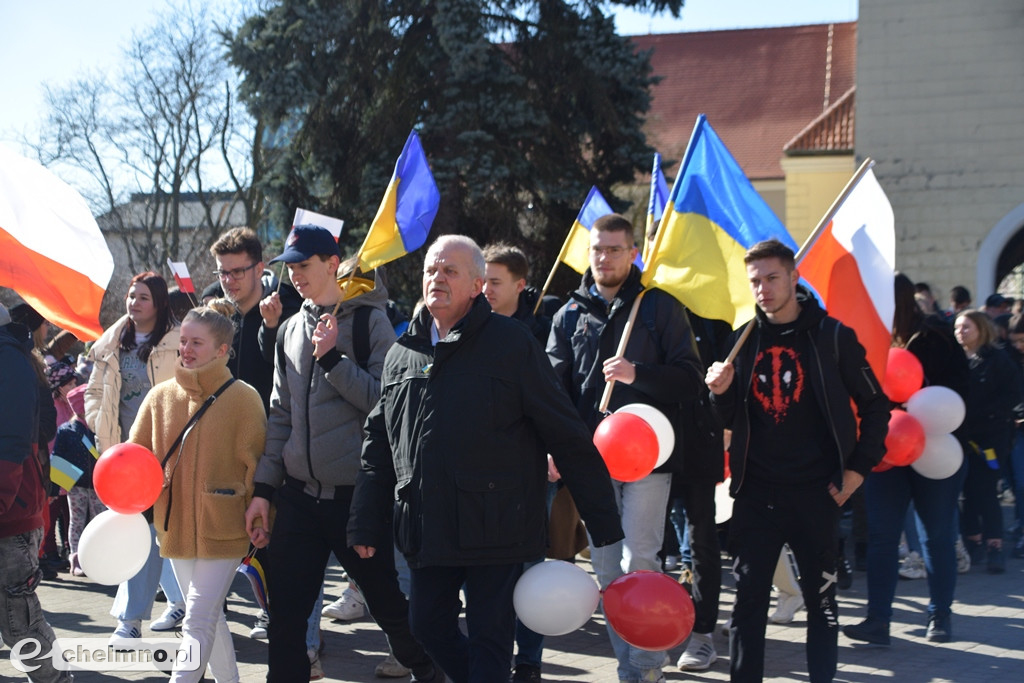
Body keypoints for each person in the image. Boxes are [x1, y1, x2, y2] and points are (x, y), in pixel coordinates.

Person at [348, 234, 623, 683]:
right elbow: (379, 441)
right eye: (431, 270)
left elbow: (565, 431)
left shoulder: (511, 344)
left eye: (449, 271)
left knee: (490, 643)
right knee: (426, 627)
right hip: (426, 526)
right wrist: (364, 518)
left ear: (477, 285)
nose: (436, 278)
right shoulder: (402, 354)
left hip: (497, 527)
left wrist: (603, 522)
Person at [243, 225, 435, 682]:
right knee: (287, 618)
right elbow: (280, 415)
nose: (295, 276)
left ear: (332, 263)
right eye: (289, 267)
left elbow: (387, 403)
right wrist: (265, 490)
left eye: (303, 265)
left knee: (388, 605)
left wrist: (333, 360)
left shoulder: (371, 323)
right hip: (297, 498)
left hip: (357, 500)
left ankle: (430, 670)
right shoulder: (290, 328)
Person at [705, 239, 889, 683]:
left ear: (794, 278)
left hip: (816, 492)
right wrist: (719, 392)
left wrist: (857, 471)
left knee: (822, 602)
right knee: (747, 605)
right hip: (756, 494)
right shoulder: (742, 339)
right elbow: (727, 421)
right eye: (755, 281)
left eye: (772, 278)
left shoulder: (832, 337)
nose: (763, 289)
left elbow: (877, 406)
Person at [546, 214, 705, 683]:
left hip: (647, 461)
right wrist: (554, 447)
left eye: (614, 249)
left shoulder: (659, 308)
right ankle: (629, 665)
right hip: (590, 462)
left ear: (633, 253)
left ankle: (645, 665)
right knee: (605, 564)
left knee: (642, 560)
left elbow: (691, 379)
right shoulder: (569, 313)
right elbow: (552, 390)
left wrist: (640, 374)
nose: (604, 258)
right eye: (598, 249)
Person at [128, 304, 266, 682]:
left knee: (197, 618)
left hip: (225, 527)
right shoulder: (159, 397)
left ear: (222, 350)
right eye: (183, 341)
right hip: (173, 527)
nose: (185, 349)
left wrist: (260, 516)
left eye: (196, 343)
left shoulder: (244, 398)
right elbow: (135, 458)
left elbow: (258, 468)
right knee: (206, 616)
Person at [843, 273, 970, 646]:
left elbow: (959, 396)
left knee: (937, 536)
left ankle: (940, 616)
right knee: (883, 537)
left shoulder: (937, 337)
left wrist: (917, 405)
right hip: (888, 452)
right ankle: (878, 621)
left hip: (936, 450)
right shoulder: (870, 339)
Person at [209, 227, 301, 641]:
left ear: (260, 268)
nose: (229, 280)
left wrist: (271, 327)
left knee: (270, 534)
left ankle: (279, 616)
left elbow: (286, 371)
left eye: (237, 271)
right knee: (225, 530)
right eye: (223, 272)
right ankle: (213, 609)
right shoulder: (216, 314)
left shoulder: (286, 307)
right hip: (222, 443)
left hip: (271, 444)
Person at [84, 271, 187, 640]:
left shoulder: (179, 342)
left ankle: (160, 609)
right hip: (124, 458)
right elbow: (94, 393)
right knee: (139, 530)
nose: (134, 303)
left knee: (165, 531)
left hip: (167, 454)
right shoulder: (110, 344)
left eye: (143, 297)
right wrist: (101, 430)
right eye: (131, 296)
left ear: (159, 303)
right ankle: (136, 618)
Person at [482, 241, 561, 682]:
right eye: (484, 281)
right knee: (489, 572)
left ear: (520, 284)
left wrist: (552, 448)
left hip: (532, 469)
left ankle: (528, 661)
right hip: (481, 470)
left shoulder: (543, 331)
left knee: (530, 569)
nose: (487, 290)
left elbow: (554, 399)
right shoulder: (468, 327)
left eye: (496, 282)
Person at [0, 303, 73, 683]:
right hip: (14, 508)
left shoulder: (8, 359)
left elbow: (13, 441)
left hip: (10, 517)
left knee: (20, 627)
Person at [953, 309, 1020, 573]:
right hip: (960, 436)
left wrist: (989, 415)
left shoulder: (998, 359)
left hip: (991, 439)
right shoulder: (954, 359)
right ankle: (972, 541)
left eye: (966, 327)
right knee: (966, 490)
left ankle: (995, 545)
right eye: (958, 327)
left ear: (981, 329)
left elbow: (1013, 394)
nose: (961, 332)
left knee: (986, 489)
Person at [50, 384, 105, 578]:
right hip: (77, 486)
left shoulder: (100, 428)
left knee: (100, 521)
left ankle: (99, 558)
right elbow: (58, 458)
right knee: (77, 521)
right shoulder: (67, 430)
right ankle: (76, 559)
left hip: (99, 485)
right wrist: (57, 487)